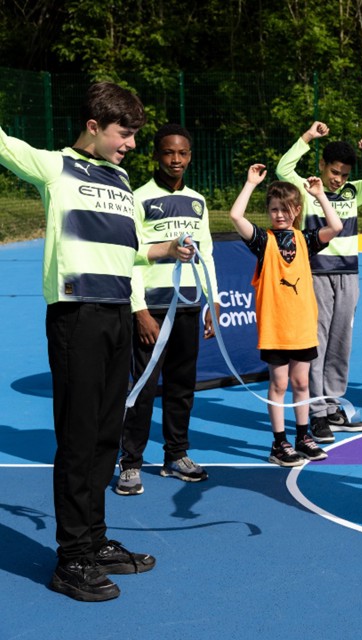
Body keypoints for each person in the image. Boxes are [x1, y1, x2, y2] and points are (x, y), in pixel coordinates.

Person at [0, 82, 195, 602]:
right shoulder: (53, 166)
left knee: (108, 434)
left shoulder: (121, 177)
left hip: (115, 315)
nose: (131, 143)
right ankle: (71, 560)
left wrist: (166, 250)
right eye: (123, 133)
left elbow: (130, 250)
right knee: (79, 437)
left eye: (132, 134)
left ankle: (95, 541)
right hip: (76, 315)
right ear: (93, 127)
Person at [115, 124, 218, 496]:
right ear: (156, 155)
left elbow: (206, 254)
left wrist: (212, 300)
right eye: (169, 153)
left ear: (190, 156)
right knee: (142, 387)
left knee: (181, 386)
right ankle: (130, 464)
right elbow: (129, 257)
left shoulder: (198, 201)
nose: (176, 160)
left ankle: (176, 455)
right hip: (152, 310)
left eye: (183, 153)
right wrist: (139, 310)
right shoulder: (136, 197)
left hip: (190, 305)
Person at [276, 122, 362, 442]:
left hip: (349, 276)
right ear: (323, 166)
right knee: (318, 341)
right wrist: (308, 137)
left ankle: (333, 405)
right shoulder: (307, 188)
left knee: (341, 341)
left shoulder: (354, 191)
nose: (338, 179)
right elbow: (283, 168)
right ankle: (316, 413)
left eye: (343, 174)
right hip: (315, 275)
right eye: (334, 171)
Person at [229, 164, 343, 467]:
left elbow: (336, 227)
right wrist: (251, 183)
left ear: (296, 210)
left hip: (302, 326)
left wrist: (320, 195)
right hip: (276, 328)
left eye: (286, 209)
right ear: (268, 210)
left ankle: (303, 436)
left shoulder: (305, 240)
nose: (280, 214)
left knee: (302, 383)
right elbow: (236, 217)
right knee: (279, 384)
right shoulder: (263, 241)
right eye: (275, 209)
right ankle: (279, 443)